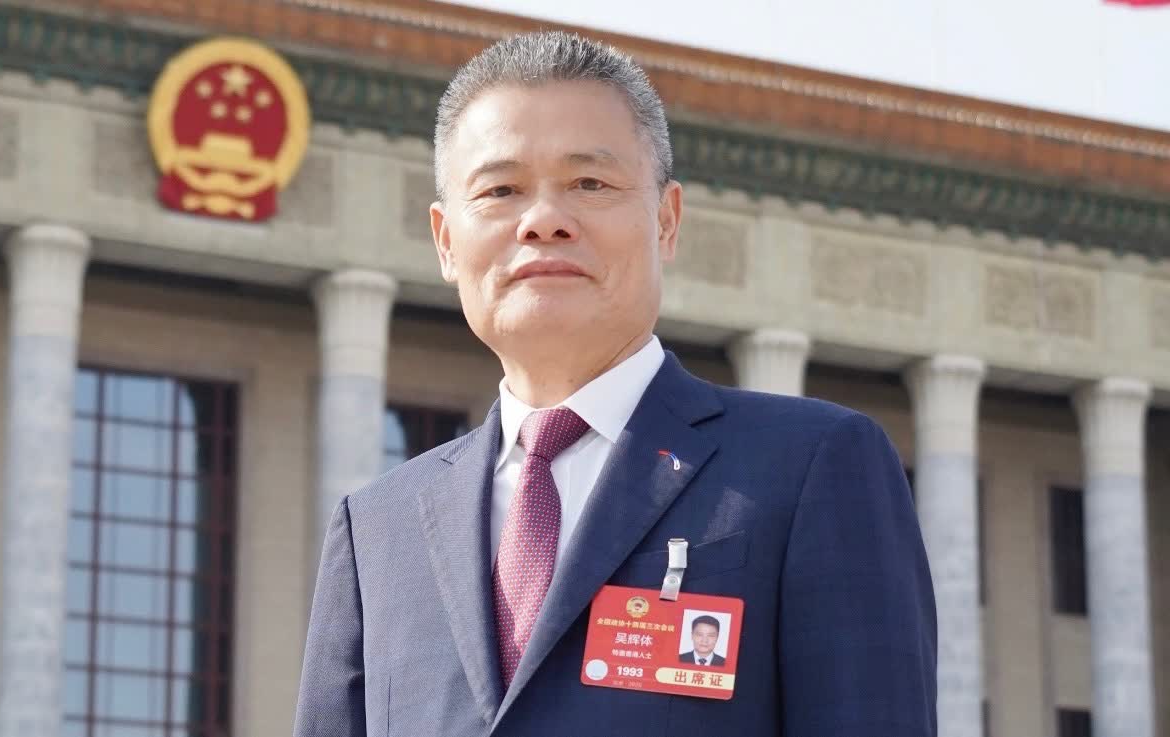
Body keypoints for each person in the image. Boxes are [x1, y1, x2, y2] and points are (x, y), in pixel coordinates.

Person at [293, 31, 935, 737]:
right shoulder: (377, 529)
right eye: (501, 190)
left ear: (666, 220)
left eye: (589, 184)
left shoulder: (810, 466)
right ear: (446, 241)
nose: (543, 221)